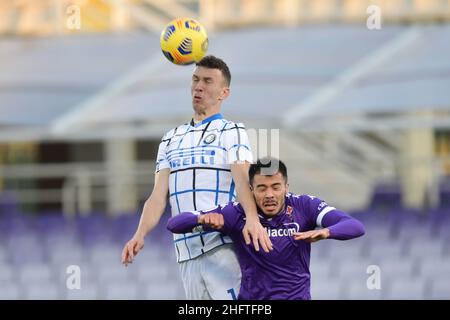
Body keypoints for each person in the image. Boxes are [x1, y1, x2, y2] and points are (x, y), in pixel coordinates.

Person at [121, 55, 273, 300]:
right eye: (195, 79)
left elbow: (244, 180)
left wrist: (253, 220)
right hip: (185, 253)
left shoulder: (232, 131)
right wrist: (139, 234)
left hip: (222, 247)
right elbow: (158, 196)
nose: (199, 86)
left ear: (224, 93)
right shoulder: (170, 138)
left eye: (208, 81)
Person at [166, 157, 365, 300]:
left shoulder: (304, 206)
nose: (269, 194)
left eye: (276, 187)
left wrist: (326, 232)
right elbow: (174, 224)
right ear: (251, 190)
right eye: (262, 188)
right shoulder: (237, 212)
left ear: (286, 187)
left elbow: (355, 226)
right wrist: (201, 218)